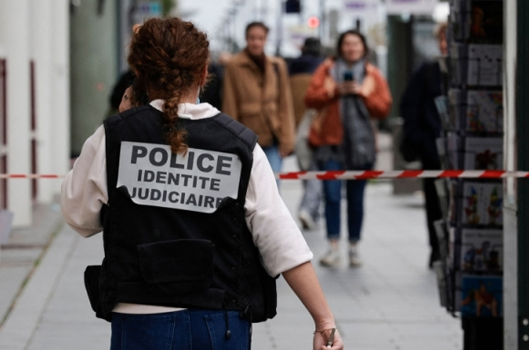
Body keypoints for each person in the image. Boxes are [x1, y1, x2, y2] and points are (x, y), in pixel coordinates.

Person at [61, 18, 343, 350]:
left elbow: (78, 215)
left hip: (140, 316)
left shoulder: (114, 136)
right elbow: (279, 237)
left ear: (140, 73)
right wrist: (323, 320)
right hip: (219, 319)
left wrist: (123, 119)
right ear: (203, 71)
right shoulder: (239, 144)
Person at [305, 30, 392, 268]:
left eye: (356, 44)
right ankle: (333, 246)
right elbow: (310, 98)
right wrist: (335, 91)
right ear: (340, 47)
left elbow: (384, 108)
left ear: (363, 48)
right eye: (347, 44)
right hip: (331, 144)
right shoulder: (327, 70)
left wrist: (363, 93)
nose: (351, 48)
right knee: (331, 196)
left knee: (356, 199)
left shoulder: (372, 74)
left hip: (361, 146)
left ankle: (354, 246)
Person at [400, 22, 447, 268]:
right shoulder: (428, 71)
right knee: (435, 202)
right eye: (441, 39)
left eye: (448, 38)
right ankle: (437, 248)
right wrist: (422, 140)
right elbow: (409, 106)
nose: (443, 44)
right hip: (434, 152)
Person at [222, 22, 295, 179]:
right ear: (246, 39)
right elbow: (230, 104)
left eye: (260, 38)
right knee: (248, 188)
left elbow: (285, 104)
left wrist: (287, 140)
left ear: (266, 39)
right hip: (247, 137)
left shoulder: (277, 65)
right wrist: (231, 141)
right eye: (252, 38)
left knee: (273, 187)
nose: (256, 42)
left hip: (274, 134)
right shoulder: (235, 66)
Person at [289, 38, 325, 230]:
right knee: (316, 171)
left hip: (294, 127)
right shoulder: (321, 71)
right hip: (315, 127)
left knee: (307, 170)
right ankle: (308, 208)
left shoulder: (290, 70)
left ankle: (312, 210)